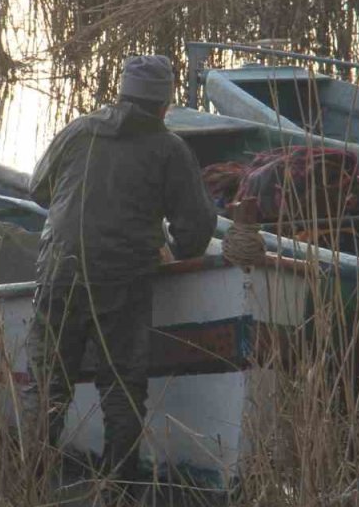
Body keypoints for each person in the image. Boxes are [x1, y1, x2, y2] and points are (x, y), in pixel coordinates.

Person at [19, 54, 217, 488]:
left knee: (47, 388)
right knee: (122, 393)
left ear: (122, 93)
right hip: (122, 283)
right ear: (164, 105)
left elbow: (38, 189)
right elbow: (198, 229)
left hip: (58, 273)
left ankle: (30, 485)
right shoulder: (169, 149)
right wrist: (174, 251)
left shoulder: (78, 130)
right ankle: (118, 491)